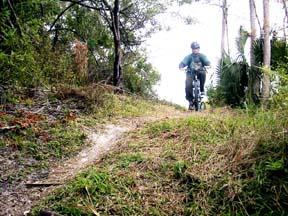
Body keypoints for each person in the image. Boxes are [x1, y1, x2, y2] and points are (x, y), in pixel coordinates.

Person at [179, 42, 210, 110]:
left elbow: (206, 61)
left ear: (199, 49)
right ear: (192, 49)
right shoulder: (189, 57)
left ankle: (202, 91)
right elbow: (183, 62)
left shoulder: (202, 56)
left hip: (200, 71)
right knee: (188, 84)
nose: (195, 50)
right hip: (191, 72)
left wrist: (208, 64)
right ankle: (190, 101)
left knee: (203, 73)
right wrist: (181, 66)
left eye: (196, 48)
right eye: (193, 48)